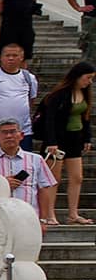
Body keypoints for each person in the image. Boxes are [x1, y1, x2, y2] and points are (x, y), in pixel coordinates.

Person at [36, 62, 95, 225]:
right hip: (57, 139)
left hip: (75, 139)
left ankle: (73, 213)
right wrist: (51, 141)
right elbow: (50, 119)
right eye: (87, 78)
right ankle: (49, 214)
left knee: (77, 177)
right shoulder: (59, 94)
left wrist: (87, 138)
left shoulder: (85, 94)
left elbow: (86, 117)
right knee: (54, 178)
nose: (89, 82)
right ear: (77, 76)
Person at [0, 43, 41, 156]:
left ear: (21, 57)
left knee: (23, 165)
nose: (10, 58)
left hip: (22, 130)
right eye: (7, 55)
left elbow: (31, 99)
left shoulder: (29, 78)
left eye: (14, 55)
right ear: (1, 57)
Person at [0, 119, 58, 223]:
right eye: (4, 132)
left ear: (21, 135)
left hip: (29, 218)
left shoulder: (36, 159)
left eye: (12, 132)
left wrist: (43, 220)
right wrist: (2, 184)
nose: (9, 136)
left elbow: (44, 189)